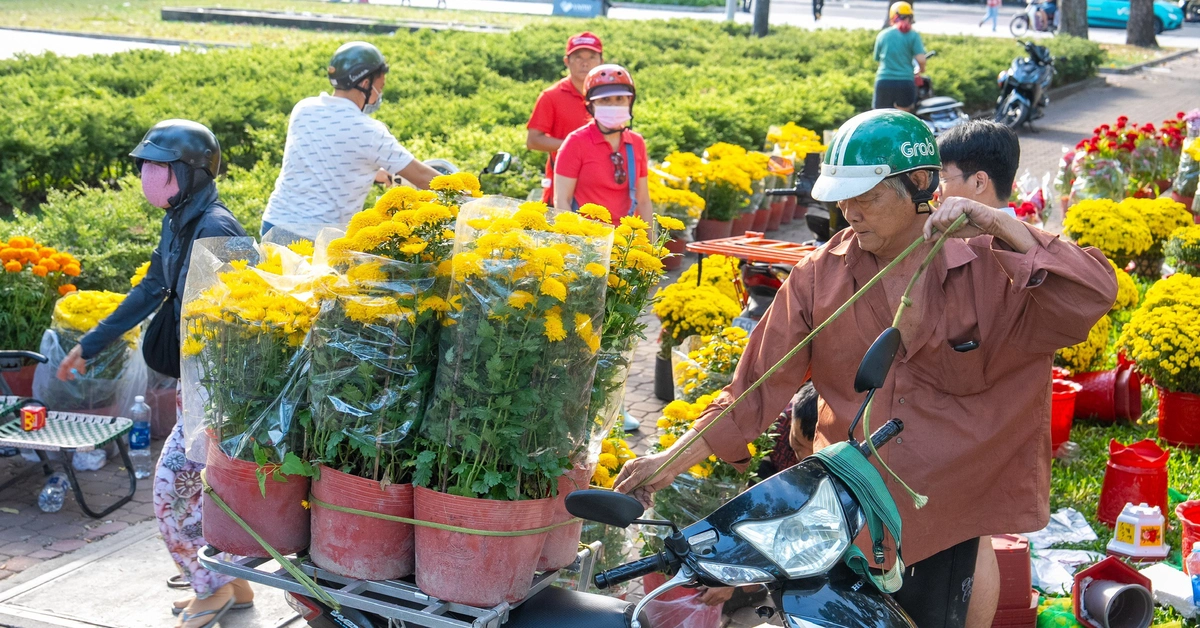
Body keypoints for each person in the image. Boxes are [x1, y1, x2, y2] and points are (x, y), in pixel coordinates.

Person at [615, 109, 1117, 628]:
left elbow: (1096, 293)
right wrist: (665, 463)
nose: (850, 213)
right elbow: (753, 392)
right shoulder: (819, 278)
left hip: (950, 500)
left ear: (921, 184)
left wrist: (997, 222)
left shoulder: (991, 264)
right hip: (852, 501)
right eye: (842, 198)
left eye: (868, 196)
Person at [57, 120, 253, 628]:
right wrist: (91, 342)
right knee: (195, 490)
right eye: (144, 165)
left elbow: (247, 323)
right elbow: (151, 287)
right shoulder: (180, 218)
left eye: (158, 167)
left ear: (190, 173)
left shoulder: (216, 230)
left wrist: (221, 408)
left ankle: (211, 587)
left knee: (170, 493)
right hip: (197, 390)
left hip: (219, 395)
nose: (146, 175)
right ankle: (231, 581)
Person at [260, 41, 440, 239]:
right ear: (365, 83)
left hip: (274, 224)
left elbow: (326, 160)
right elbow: (422, 176)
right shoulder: (370, 131)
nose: (380, 94)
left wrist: (375, 174)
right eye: (380, 87)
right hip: (316, 237)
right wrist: (468, 196)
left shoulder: (303, 109)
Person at [553, 64, 652, 225]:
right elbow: (562, 200)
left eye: (619, 99)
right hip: (588, 236)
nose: (613, 105)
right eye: (605, 100)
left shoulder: (636, 142)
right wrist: (575, 239)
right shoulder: (575, 142)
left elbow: (644, 201)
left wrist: (653, 247)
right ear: (591, 105)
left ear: (630, 101)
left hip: (625, 237)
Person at [527, 32, 604, 205]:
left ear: (601, 61)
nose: (585, 63)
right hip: (562, 190)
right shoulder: (551, 96)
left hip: (601, 190)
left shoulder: (609, 97)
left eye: (592, 57)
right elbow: (533, 140)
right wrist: (577, 147)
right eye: (578, 57)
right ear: (566, 61)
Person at [938, 120, 1020, 217]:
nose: (936, 190)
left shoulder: (987, 232)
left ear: (979, 183)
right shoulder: (1025, 231)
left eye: (943, 177)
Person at [873, 2, 926, 112]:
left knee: (880, 117)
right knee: (903, 118)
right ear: (910, 17)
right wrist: (921, 69)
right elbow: (921, 59)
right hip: (905, 82)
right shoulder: (913, 35)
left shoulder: (883, 35)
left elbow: (877, 58)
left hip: (884, 81)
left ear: (892, 16)